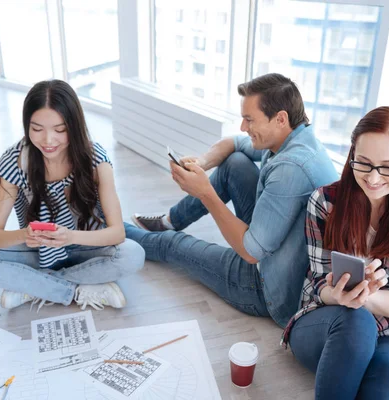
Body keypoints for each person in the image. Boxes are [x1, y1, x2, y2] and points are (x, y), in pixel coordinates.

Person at [126, 73, 338, 327]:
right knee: (234, 163)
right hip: (275, 245)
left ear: (281, 118)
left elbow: (250, 252)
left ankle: (115, 229)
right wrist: (203, 163)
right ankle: (171, 220)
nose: (243, 127)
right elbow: (234, 143)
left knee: (172, 245)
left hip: (268, 287)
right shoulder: (298, 138)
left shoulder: (290, 168)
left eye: (249, 119)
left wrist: (205, 191)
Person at [281, 106, 389, 400]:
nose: (373, 178)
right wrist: (342, 296)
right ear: (352, 152)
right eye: (363, 162)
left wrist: (366, 295)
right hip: (325, 323)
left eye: (388, 166)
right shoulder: (325, 202)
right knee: (355, 320)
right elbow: (321, 285)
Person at [0, 80, 145, 311]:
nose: (48, 141)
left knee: (132, 254)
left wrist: (70, 237)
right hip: (37, 251)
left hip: (85, 247)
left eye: (60, 130)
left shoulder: (96, 160)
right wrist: (24, 234)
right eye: (37, 129)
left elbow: (117, 233)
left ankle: (34, 286)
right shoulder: (14, 162)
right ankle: (78, 289)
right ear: (27, 125)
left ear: (74, 126)